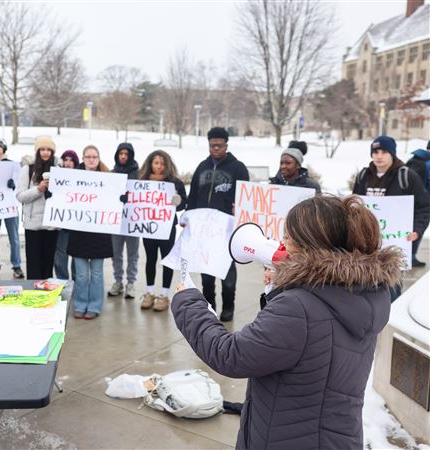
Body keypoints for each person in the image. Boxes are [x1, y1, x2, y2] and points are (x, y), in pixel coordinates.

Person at [172, 195, 401, 450]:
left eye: (289, 237)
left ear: (310, 245)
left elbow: (231, 355)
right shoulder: (366, 291)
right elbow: (301, 345)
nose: (282, 243)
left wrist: (188, 303)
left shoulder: (300, 307)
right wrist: (283, 288)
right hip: (334, 435)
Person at [186, 127, 249, 321]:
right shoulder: (202, 167)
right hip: (204, 229)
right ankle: (209, 304)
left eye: (219, 145)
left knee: (227, 269)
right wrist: (188, 218)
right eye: (212, 145)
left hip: (227, 229)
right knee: (206, 270)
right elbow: (193, 194)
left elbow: (245, 197)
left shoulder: (238, 168)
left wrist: (239, 213)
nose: (215, 148)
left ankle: (228, 306)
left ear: (226, 145)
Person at [353, 135, 430, 275]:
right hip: (366, 246)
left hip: (395, 246)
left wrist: (416, 230)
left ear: (392, 153)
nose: (379, 156)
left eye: (384, 152)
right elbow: (354, 205)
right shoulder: (363, 176)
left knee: (392, 290)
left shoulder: (407, 177)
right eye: (375, 152)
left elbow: (424, 207)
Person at [137, 150, 187, 311]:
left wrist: (178, 201)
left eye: (162, 163)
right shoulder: (142, 181)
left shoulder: (174, 183)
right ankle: (149, 292)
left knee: (167, 261)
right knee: (150, 260)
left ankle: (164, 296)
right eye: (156, 162)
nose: (159, 166)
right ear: (150, 164)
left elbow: (183, 203)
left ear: (167, 165)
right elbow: (134, 201)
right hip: (149, 227)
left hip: (167, 228)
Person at [67, 145, 113, 320]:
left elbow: (114, 200)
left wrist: (120, 199)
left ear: (99, 158)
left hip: (99, 232)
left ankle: (94, 305)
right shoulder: (73, 178)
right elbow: (64, 196)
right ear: (83, 159)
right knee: (80, 273)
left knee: (96, 273)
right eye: (88, 157)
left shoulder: (108, 179)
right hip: (79, 232)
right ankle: (79, 304)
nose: (92, 160)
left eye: (95, 156)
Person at [16, 136, 59, 280]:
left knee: (48, 267)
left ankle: (47, 298)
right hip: (33, 226)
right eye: (42, 149)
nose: (45, 153)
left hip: (51, 226)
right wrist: (38, 189)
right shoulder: (27, 170)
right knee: (33, 268)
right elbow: (20, 196)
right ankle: (33, 298)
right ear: (37, 151)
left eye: (49, 150)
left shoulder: (59, 171)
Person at [0, 138, 24, 279]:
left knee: (14, 237)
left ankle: (17, 266)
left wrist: (13, 183)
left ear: (4, 148)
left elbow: (19, 180)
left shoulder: (12, 165)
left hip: (10, 205)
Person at [108, 142, 140, 299]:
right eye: (121, 154)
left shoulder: (139, 174)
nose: (123, 157)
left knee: (133, 254)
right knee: (116, 253)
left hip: (133, 221)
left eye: (126, 154)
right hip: (116, 221)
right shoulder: (112, 173)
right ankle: (118, 281)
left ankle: (131, 283)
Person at [53, 149, 79, 280]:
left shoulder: (82, 178)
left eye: (71, 160)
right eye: (66, 160)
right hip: (61, 224)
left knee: (77, 257)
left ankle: (75, 282)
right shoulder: (56, 177)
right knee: (60, 256)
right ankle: (62, 281)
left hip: (76, 225)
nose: (68, 163)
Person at [405, 139, 430, 266]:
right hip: (422, 203)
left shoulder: (415, 159)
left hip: (407, 201)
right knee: (418, 229)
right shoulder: (427, 163)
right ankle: (411, 257)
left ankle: (409, 255)